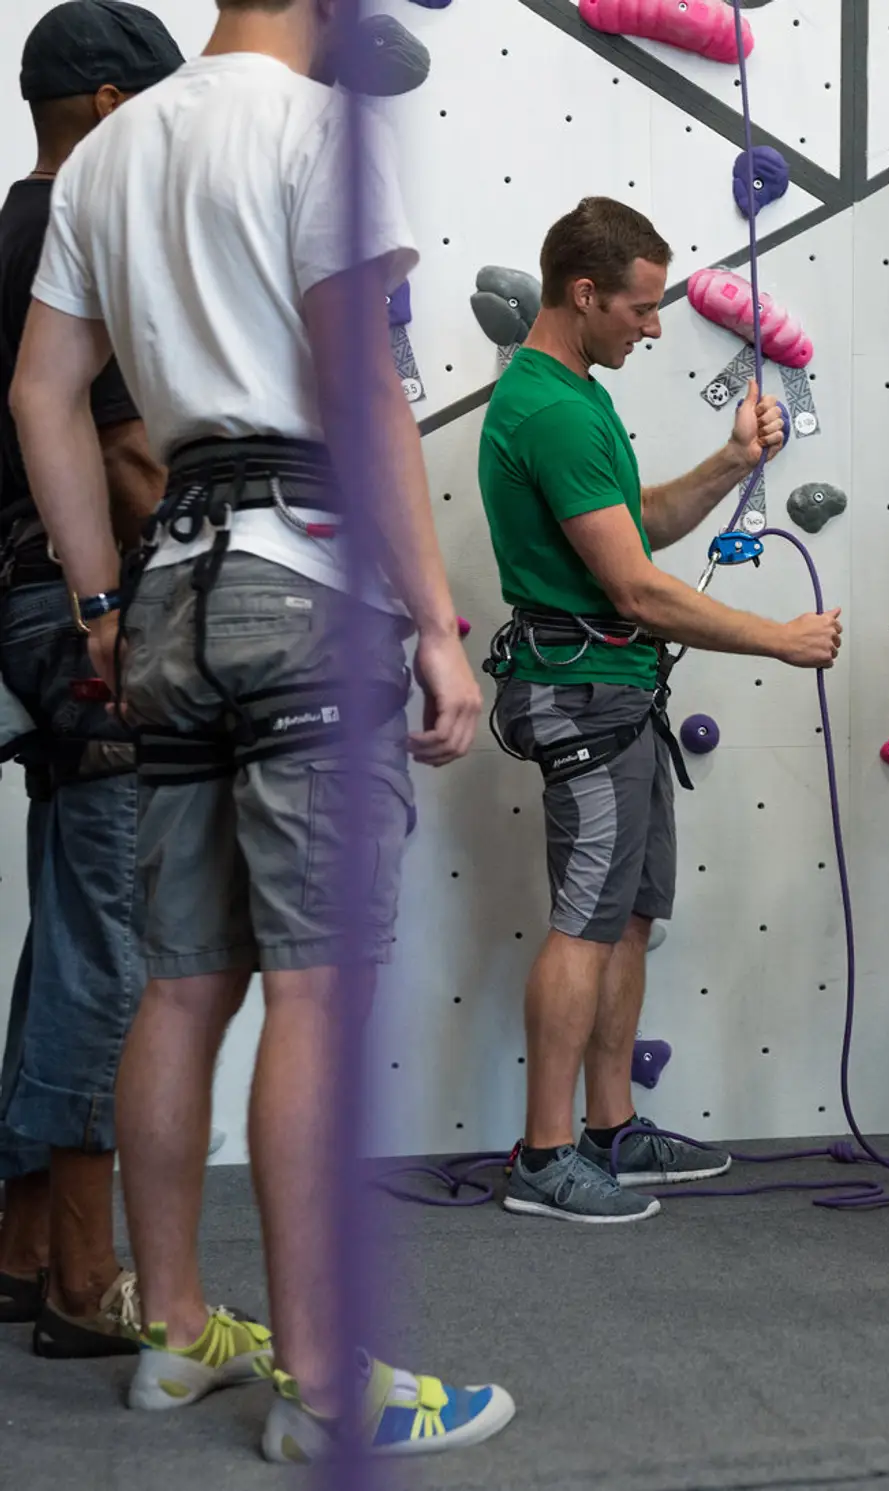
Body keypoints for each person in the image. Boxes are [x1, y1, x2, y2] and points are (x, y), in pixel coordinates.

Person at [12, 0, 512, 1458]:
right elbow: (359, 386)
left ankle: (173, 1334)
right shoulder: (318, 130)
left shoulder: (107, 153)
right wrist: (433, 622)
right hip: (307, 573)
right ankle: (320, 1377)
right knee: (315, 989)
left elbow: (43, 394)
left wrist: (99, 596)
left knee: (181, 985)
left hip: (167, 580)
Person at [479, 196, 842, 1225]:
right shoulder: (548, 408)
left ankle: (607, 1126)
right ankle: (545, 1156)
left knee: (628, 917)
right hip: (583, 695)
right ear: (582, 293)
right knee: (586, 924)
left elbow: (631, 530)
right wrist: (777, 638)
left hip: (617, 696)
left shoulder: (575, 393)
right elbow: (634, 592)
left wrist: (730, 462)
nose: (654, 325)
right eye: (640, 307)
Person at [0, 0, 177, 1361]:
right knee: (110, 931)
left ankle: (20, 1242)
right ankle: (81, 1271)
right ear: (113, 110)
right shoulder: (74, 239)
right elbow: (123, 460)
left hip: (30, 606)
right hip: (74, 606)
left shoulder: (8, 228)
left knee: (71, 918)